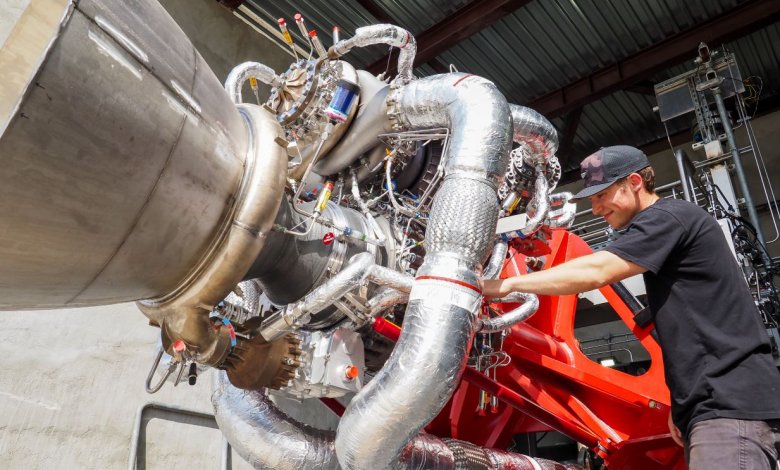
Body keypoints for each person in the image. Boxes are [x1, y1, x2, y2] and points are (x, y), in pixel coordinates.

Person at [482, 145, 780, 469]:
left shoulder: (667, 217)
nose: (595, 209)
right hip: (712, 409)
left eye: (601, 195)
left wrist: (506, 285)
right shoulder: (669, 225)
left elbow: (597, 271)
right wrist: (683, 409)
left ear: (635, 181)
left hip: (729, 409)